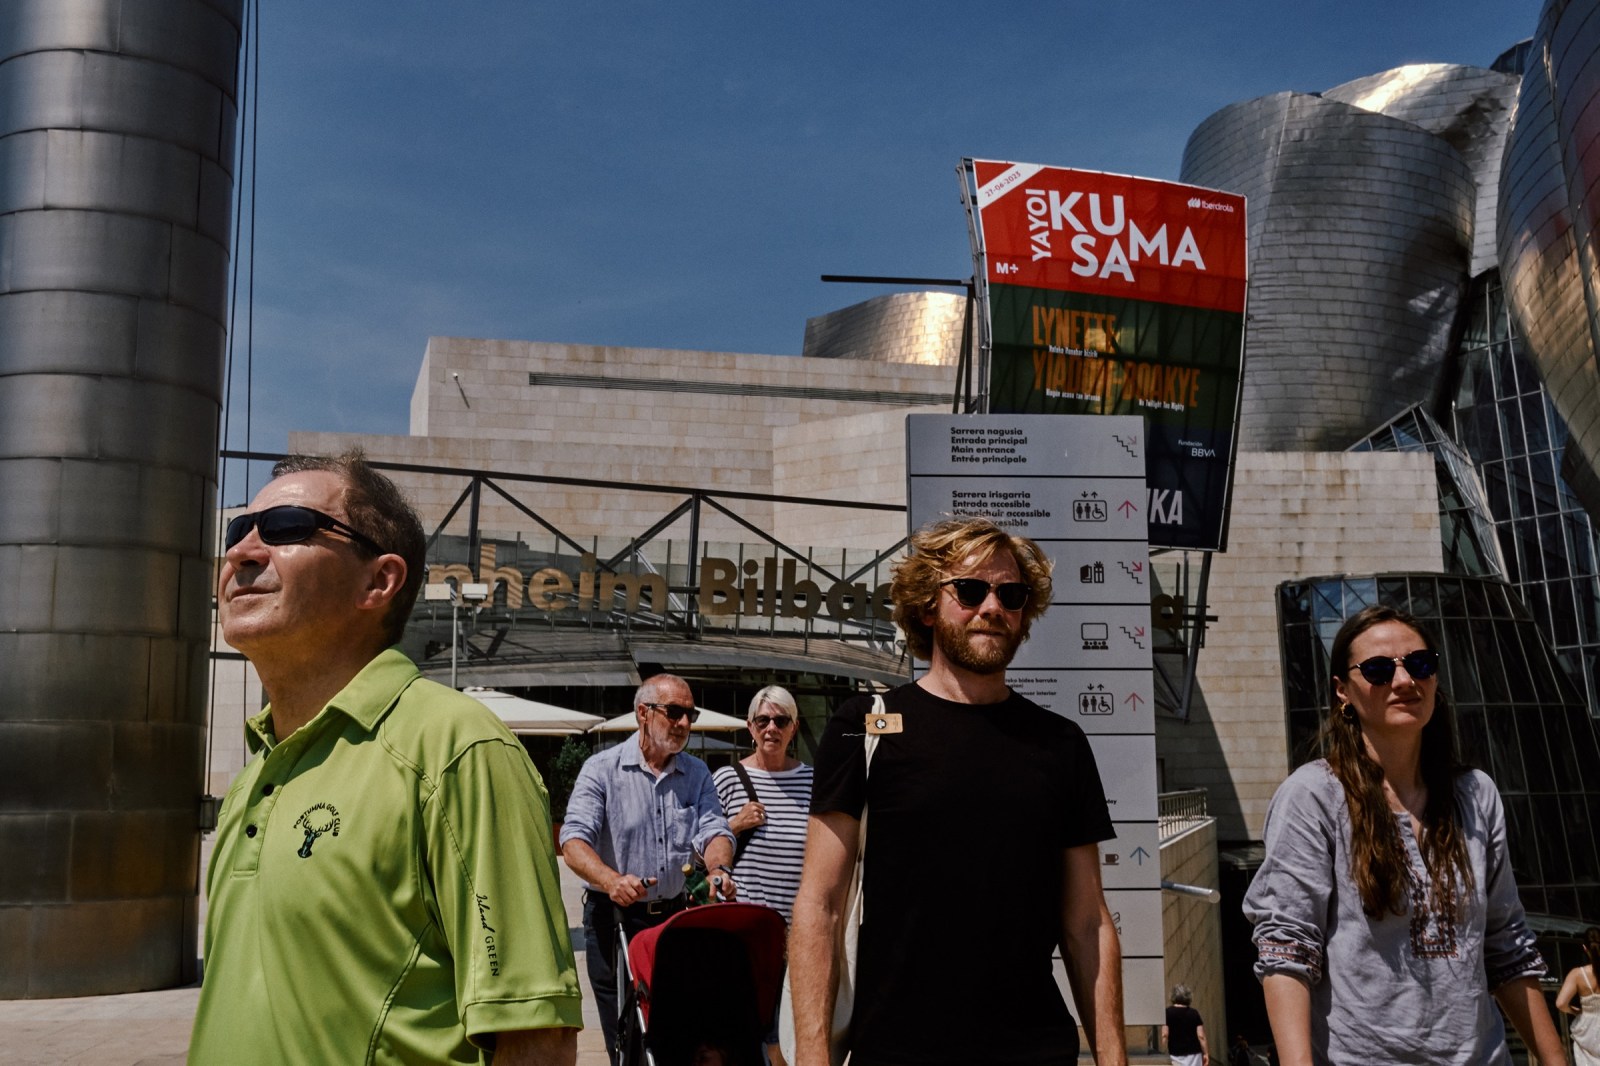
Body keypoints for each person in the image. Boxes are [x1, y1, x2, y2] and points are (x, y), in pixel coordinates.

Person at [190, 451, 581, 1065]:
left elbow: (536, 1034)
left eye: (288, 527)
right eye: (240, 529)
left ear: (379, 580)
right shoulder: (252, 778)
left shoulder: (455, 748)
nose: (243, 551)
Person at [789, 516, 1126, 1066]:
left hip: (1034, 1051)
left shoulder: (1060, 742)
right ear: (927, 606)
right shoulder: (862, 724)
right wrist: (811, 1055)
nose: (992, 607)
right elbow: (819, 904)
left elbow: (1087, 921)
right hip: (896, 1049)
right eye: (970, 590)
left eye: (1010, 594)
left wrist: (1114, 1059)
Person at [1244, 605, 1563, 1066]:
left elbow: (1507, 947)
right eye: (1377, 669)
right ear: (1342, 691)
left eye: (1420, 664)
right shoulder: (1312, 796)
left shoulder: (1476, 794)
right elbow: (1287, 951)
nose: (1403, 681)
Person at [560, 674, 737, 1065]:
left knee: (676, 1033)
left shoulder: (696, 774)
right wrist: (611, 880)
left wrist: (719, 869)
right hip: (615, 921)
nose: (685, 724)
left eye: (690, 714)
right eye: (674, 712)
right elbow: (573, 841)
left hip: (672, 921)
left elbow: (715, 830)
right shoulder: (601, 769)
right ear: (643, 713)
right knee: (628, 1040)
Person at [713, 684, 813, 1066]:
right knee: (744, 1028)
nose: (771, 727)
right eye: (763, 720)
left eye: (781, 720)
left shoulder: (813, 781)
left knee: (786, 1034)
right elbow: (695, 849)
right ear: (750, 727)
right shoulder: (727, 779)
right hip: (745, 931)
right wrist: (734, 825)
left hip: (797, 932)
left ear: (793, 728)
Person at [1557, 926, 1600, 1065]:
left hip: (1588, 1029)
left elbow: (1561, 1004)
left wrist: (1577, 1012)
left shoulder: (1577, 974)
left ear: (1584, 947)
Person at [1162, 984, 1207, 1066]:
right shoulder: (1194, 1013)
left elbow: (1165, 1034)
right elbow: (1201, 1036)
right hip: (1194, 1055)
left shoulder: (1167, 1013)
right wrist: (1206, 1053)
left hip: (1175, 1054)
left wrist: (1161, 1051)